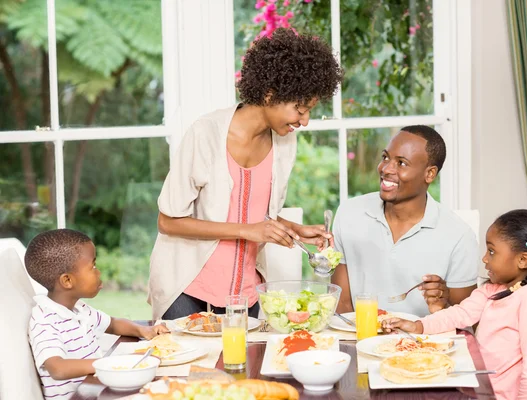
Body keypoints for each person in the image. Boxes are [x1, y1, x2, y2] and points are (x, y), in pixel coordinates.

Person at [149, 28, 344, 320]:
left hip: (245, 292)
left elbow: (253, 211)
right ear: (269, 95)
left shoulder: (284, 141)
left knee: (248, 366)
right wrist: (248, 230)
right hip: (187, 289)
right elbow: (168, 221)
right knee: (189, 366)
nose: (304, 121)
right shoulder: (207, 134)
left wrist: (297, 230)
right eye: (300, 109)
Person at [383, 209, 527, 400]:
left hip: (492, 395)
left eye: (492, 251)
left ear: (522, 260)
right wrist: (418, 326)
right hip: (471, 385)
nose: (484, 258)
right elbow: (460, 313)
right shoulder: (494, 289)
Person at [331, 126, 479, 317]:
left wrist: (445, 299)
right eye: (385, 157)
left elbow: (465, 317)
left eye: (401, 163)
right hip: (360, 336)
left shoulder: (459, 236)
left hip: (423, 343)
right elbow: (342, 303)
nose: (386, 169)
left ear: (430, 174)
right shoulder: (349, 213)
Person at [25, 229, 169, 400]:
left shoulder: (80, 309)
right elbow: (58, 368)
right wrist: (111, 364)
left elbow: (113, 324)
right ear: (67, 281)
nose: (99, 272)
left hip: (96, 389)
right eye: (93, 266)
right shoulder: (45, 321)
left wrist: (144, 331)